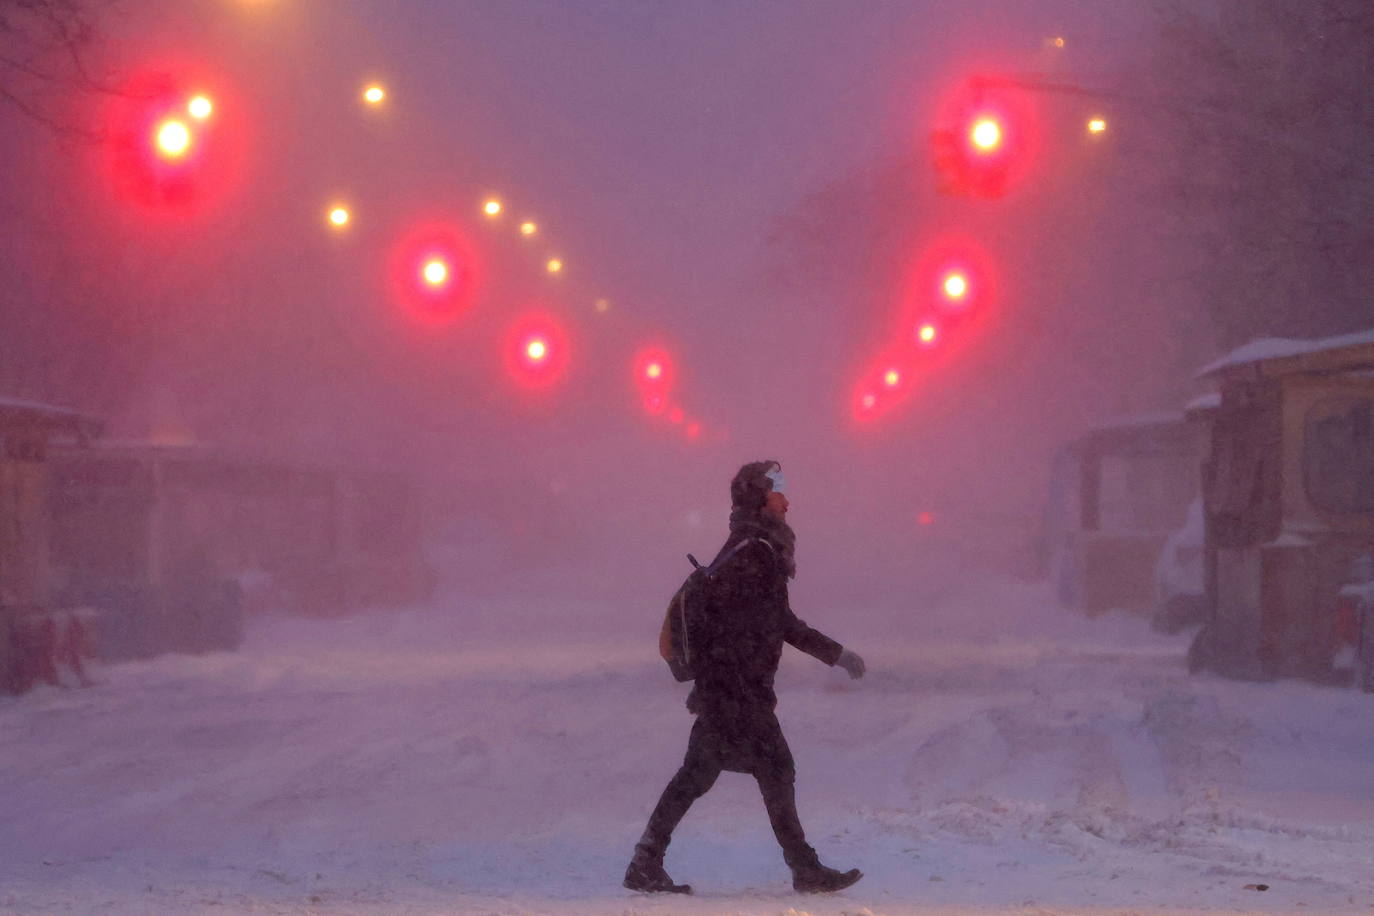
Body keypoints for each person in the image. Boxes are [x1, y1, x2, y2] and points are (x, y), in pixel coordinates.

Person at [625, 460, 867, 895]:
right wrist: (836, 655)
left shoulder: (747, 546)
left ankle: (646, 860)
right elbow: (776, 623)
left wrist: (836, 655)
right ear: (759, 496)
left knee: (698, 774)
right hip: (738, 693)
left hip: (727, 690)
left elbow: (765, 622)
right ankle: (804, 869)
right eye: (779, 491)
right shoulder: (756, 552)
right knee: (775, 768)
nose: (787, 500)